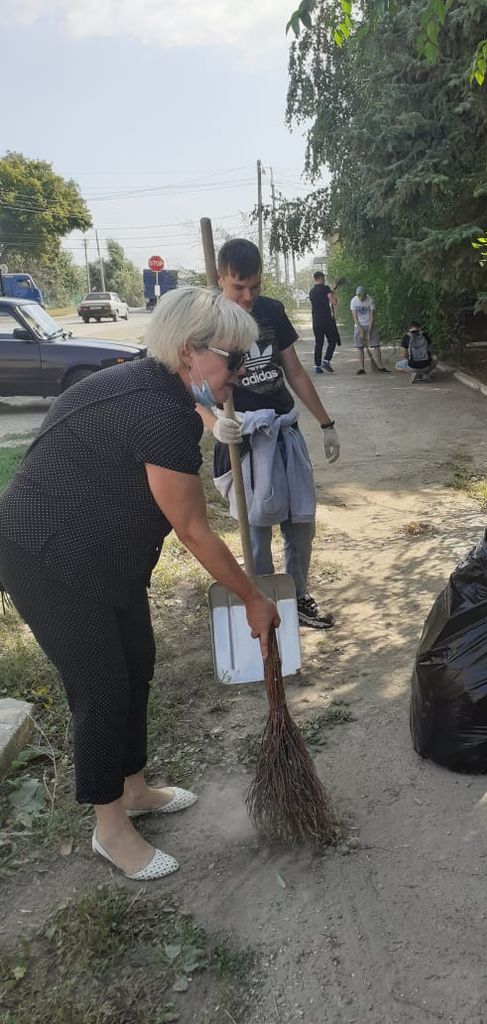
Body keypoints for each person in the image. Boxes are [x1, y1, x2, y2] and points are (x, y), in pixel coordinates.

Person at [0, 287, 280, 880]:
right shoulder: (158, 409)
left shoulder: (153, 386)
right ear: (189, 352)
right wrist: (253, 597)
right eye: (232, 360)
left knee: (137, 662)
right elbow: (192, 529)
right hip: (46, 558)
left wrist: (210, 416)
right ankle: (110, 827)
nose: (239, 373)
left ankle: (132, 788)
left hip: (106, 559)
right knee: (100, 685)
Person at [201, 238, 340, 629]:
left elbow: (294, 371)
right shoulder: (205, 322)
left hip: (283, 432)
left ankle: (296, 595)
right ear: (219, 278)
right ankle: (262, 602)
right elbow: (187, 388)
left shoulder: (271, 312)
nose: (247, 297)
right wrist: (214, 424)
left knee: (300, 524)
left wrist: (326, 423)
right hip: (242, 441)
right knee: (257, 532)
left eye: (255, 287)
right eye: (238, 288)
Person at [350, 285, 388, 374]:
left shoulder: (370, 300)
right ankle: (361, 368)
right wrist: (361, 331)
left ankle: (380, 366)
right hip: (358, 325)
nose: (360, 297)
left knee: (376, 345)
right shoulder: (354, 301)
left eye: (362, 295)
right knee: (359, 347)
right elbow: (355, 317)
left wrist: (369, 332)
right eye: (358, 295)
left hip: (370, 324)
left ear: (365, 294)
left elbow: (372, 317)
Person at [308, 271, 341, 374]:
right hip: (326, 320)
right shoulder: (326, 289)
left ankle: (317, 366)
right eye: (324, 278)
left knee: (319, 343)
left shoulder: (311, 291)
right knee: (332, 340)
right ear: (321, 278)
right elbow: (334, 302)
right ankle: (326, 360)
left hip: (316, 321)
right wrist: (333, 296)